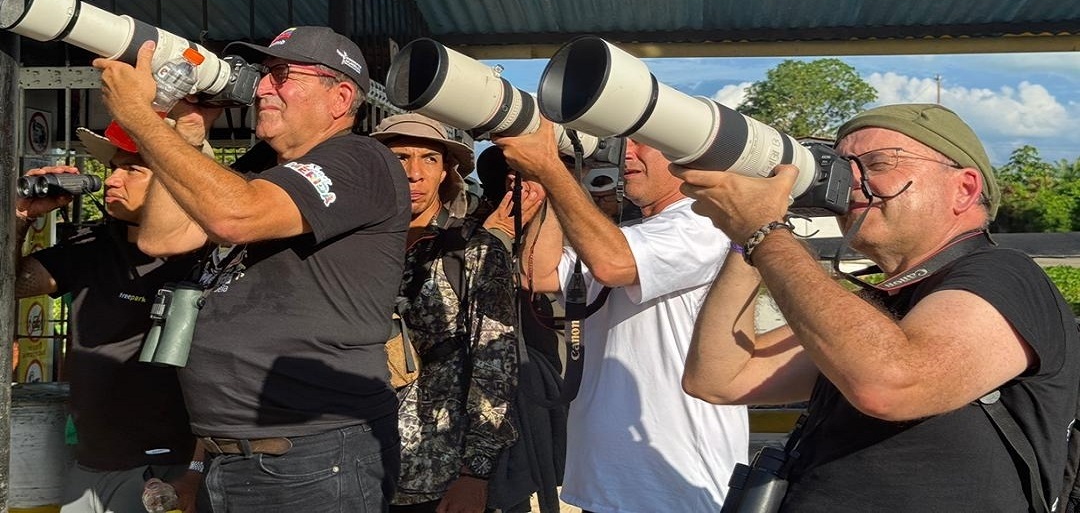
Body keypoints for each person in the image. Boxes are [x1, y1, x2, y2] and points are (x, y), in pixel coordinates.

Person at [677, 103, 1080, 512]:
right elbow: (719, 378)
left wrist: (764, 231)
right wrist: (742, 237)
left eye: (877, 162)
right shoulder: (879, 309)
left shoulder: (1004, 275)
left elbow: (892, 384)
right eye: (841, 164)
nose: (851, 179)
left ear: (965, 188)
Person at [93, 26, 411, 512]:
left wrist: (139, 116)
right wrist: (187, 130)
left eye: (282, 75)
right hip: (232, 457)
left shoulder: (361, 160)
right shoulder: (261, 170)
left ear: (340, 96)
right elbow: (164, 237)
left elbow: (234, 216)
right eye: (263, 74)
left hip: (314, 458)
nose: (262, 87)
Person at [494, 119, 749, 513]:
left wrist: (552, 168)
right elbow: (538, 273)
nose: (626, 153)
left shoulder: (707, 225)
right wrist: (555, 177)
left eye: (644, 144)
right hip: (612, 481)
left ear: (686, 155)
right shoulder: (631, 234)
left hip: (675, 484)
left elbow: (613, 264)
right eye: (622, 143)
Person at [14, 126, 207, 513]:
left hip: (164, 470)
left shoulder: (208, 258)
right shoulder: (95, 245)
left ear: (178, 178)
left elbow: (226, 373)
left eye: (133, 169)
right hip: (90, 464)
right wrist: (20, 215)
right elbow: (11, 284)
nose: (112, 179)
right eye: (113, 168)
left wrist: (194, 471)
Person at [372, 113, 520, 513]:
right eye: (399, 158)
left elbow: (495, 363)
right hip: (355, 468)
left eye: (429, 160)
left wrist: (476, 473)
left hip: (438, 473)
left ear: (445, 174)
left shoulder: (474, 249)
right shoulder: (352, 245)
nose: (414, 173)